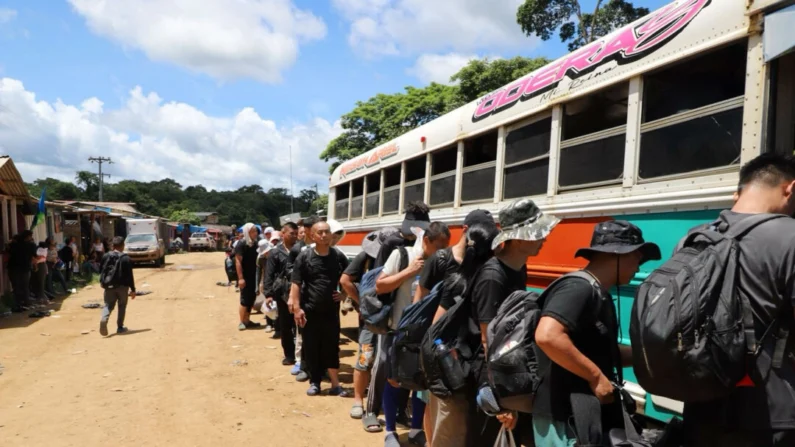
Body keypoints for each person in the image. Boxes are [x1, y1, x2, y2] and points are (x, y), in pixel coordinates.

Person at [676, 153, 795, 446]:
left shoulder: (693, 238)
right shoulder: (790, 236)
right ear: (790, 188)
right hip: (769, 411)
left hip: (702, 399)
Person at [532, 220, 659, 446]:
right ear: (616, 255)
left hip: (582, 414)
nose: (639, 268)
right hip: (564, 417)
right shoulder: (578, 288)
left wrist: (649, 353)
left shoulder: (600, 293)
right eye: (637, 259)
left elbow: (604, 352)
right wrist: (596, 377)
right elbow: (548, 336)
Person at [467, 198, 561, 445]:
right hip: (493, 375)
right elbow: (489, 340)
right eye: (539, 234)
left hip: (509, 369)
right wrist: (502, 398)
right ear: (519, 238)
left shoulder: (518, 268)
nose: (544, 239)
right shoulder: (492, 277)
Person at [423, 217, 500, 447]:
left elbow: (434, 329)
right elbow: (436, 328)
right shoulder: (481, 282)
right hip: (454, 373)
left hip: (456, 370)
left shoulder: (460, 279)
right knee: (452, 434)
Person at [376, 222, 451, 447]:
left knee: (422, 383)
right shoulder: (402, 255)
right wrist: (411, 271)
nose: (443, 251)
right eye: (439, 246)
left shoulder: (442, 263)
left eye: (446, 246)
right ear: (426, 241)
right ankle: (390, 431)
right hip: (398, 331)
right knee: (394, 380)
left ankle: (416, 429)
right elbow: (380, 286)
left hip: (427, 335)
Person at [364, 201, 432, 431]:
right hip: (388, 313)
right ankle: (371, 411)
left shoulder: (429, 248)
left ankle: (400, 411)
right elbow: (380, 283)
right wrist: (409, 271)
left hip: (411, 320)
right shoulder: (394, 244)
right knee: (383, 365)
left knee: (407, 368)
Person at [340, 227, 399, 426]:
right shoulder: (365, 257)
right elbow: (345, 280)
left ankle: (387, 401)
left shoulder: (402, 257)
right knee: (365, 357)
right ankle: (358, 399)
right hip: (371, 321)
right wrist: (361, 304)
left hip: (393, 318)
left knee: (388, 361)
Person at [288, 221, 348, 397]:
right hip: (309, 311)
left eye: (326, 232)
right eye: (319, 232)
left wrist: (344, 294)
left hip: (331, 311)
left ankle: (335, 384)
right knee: (311, 347)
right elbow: (296, 283)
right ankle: (315, 382)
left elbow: (350, 276)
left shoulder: (337, 256)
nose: (323, 235)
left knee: (331, 346)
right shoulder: (304, 256)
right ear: (312, 236)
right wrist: (297, 308)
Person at [263, 223, 299, 366]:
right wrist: (268, 294)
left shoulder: (300, 250)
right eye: (292, 233)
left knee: (300, 324)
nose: (295, 236)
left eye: (296, 233)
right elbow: (269, 274)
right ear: (282, 234)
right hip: (283, 293)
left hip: (299, 291)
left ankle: (301, 354)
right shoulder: (275, 252)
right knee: (285, 325)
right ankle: (289, 355)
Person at [290, 216, 319, 382]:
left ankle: (319, 368)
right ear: (309, 230)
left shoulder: (327, 249)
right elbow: (291, 274)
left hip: (320, 300)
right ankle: (303, 366)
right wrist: (293, 300)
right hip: (304, 298)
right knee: (304, 334)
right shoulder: (298, 250)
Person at [99, 236, 137, 336]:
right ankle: (120, 327)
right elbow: (130, 276)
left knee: (108, 305)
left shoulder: (106, 256)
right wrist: (133, 289)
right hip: (123, 287)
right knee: (122, 306)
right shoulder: (126, 258)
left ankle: (104, 318)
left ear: (113, 246)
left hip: (109, 286)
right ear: (123, 246)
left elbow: (101, 270)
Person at [235, 223, 262, 331]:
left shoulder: (256, 243)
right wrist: (240, 278)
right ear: (247, 232)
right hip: (245, 276)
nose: (255, 233)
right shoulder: (241, 244)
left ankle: (247, 320)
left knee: (252, 298)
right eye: (253, 231)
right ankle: (241, 321)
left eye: (256, 231)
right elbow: (238, 261)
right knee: (244, 299)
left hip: (254, 276)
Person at [8, 231, 36, 311]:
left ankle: (18, 304)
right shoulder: (31, 245)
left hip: (13, 268)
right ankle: (26, 303)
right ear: (28, 237)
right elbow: (34, 254)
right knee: (25, 286)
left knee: (16, 287)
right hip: (25, 268)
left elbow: (9, 251)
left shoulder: (14, 245)